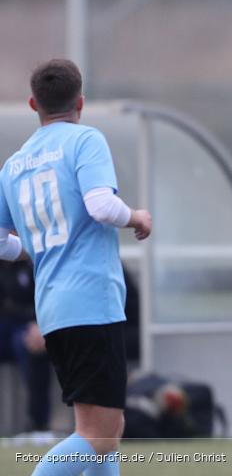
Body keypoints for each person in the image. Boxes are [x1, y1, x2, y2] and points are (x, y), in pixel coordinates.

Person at [0, 59, 152, 476]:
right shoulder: (85, 141)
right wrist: (137, 216)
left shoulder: (13, 165)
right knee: (99, 434)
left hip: (52, 309)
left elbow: (0, 241)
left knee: (104, 431)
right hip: (91, 300)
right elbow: (101, 205)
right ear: (80, 102)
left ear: (34, 104)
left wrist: (31, 248)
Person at [0, 257, 52, 437]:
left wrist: (39, 323)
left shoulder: (37, 259)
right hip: (7, 324)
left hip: (35, 326)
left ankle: (39, 424)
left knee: (30, 345)